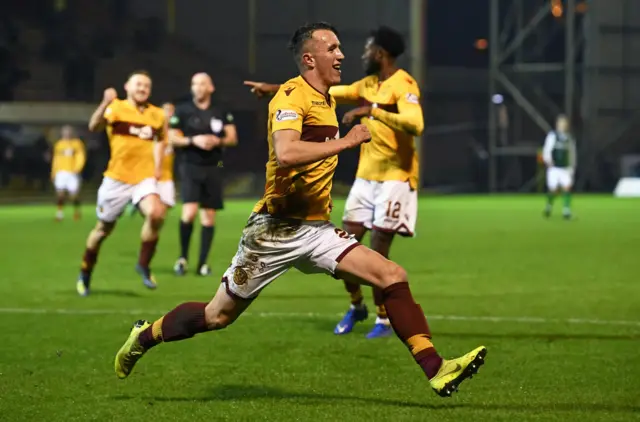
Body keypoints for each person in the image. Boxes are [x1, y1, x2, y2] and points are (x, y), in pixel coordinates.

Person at [114, 22, 486, 398]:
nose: (341, 55)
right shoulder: (292, 98)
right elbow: (289, 152)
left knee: (392, 275)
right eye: (333, 48)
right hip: (273, 232)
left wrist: (273, 89)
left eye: (341, 48)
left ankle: (436, 369)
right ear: (310, 58)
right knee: (217, 316)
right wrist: (346, 141)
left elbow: (320, 98)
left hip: (317, 230)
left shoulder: (324, 96)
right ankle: (143, 337)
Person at [244, 26, 423, 339]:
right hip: (365, 178)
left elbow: (416, 124)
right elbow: (323, 90)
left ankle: (383, 319)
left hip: (396, 176)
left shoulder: (403, 84)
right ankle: (357, 305)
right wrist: (273, 89)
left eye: (368, 48)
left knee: (379, 246)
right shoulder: (366, 84)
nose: (359, 54)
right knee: (348, 241)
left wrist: (374, 111)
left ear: (380, 53)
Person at [76, 70, 167, 296]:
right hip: (116, 179)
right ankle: (85, 272)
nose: (142, 88)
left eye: (146, 85)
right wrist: (105, 102)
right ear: (127, 86)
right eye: (138, 84)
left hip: (143, 179)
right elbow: (93, 126)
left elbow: (161, 140)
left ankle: (143, 264)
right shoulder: (115, 108)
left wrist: (158, 166)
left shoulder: (157, 114)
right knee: (102, 230)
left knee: (156, 214)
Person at [170, 73, 238, 277]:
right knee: (189, 213)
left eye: (202, 84)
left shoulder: (220, 110)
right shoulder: (182, 110)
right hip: (190, 165)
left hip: (214, 166)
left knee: (208, 217)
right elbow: (172, 138)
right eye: (194, 84)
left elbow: (232, 137)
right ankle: (182, 258)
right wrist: (194, 141)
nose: (198, 87)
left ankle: (202, 264)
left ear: (211, 88)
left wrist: (218, 142)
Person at [126, 102, 177, 217]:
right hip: (150, 175)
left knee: (163, 210)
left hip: (167, 176)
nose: (169, 114)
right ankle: (138, 203)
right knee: (153, 211)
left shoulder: (175, 133)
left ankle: (137, 205)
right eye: (166, 110)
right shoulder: (151, 131)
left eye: (171, 111)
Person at [542, 114, 577, 219]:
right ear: (557, 124)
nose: (563, 125)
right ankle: (548, 206)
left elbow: (572, 153)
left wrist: (572, 166)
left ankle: (566, 211)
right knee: (554, 190)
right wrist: (548, 160)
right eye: (561, 123)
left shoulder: (569, 138)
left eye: (565, 123)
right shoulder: (552, 136)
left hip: (565, 168)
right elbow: (547, 149)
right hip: (554, 168)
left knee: (567, 188)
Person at [51, 125, 86, 221]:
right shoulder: (59, 144)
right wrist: (54, 172)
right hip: (61, 172)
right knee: (60, 195)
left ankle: (77, 211)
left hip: (72, 173)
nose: (67, 134)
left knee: (73, 196)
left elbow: (81, 156)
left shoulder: (77, 143)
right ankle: (59, 214)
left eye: (68, 132)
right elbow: (56, 159)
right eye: (65, 132)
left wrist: (78, 168)